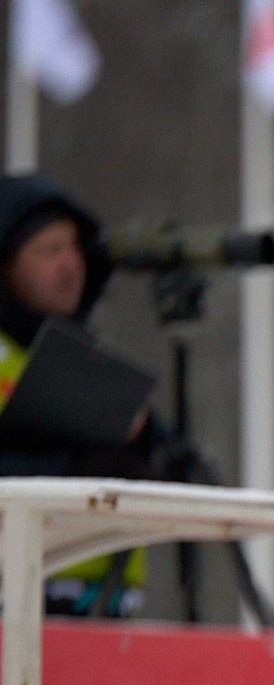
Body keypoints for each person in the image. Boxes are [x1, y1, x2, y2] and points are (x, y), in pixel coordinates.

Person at [0, 173, 156, 615]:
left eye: (76, 249)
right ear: (7, 266)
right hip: (17, 607)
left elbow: (175, 470)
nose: (71, 264)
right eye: (50, 250)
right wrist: (70, 468)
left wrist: (139, 447)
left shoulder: (89, 356)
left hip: (107, 610)